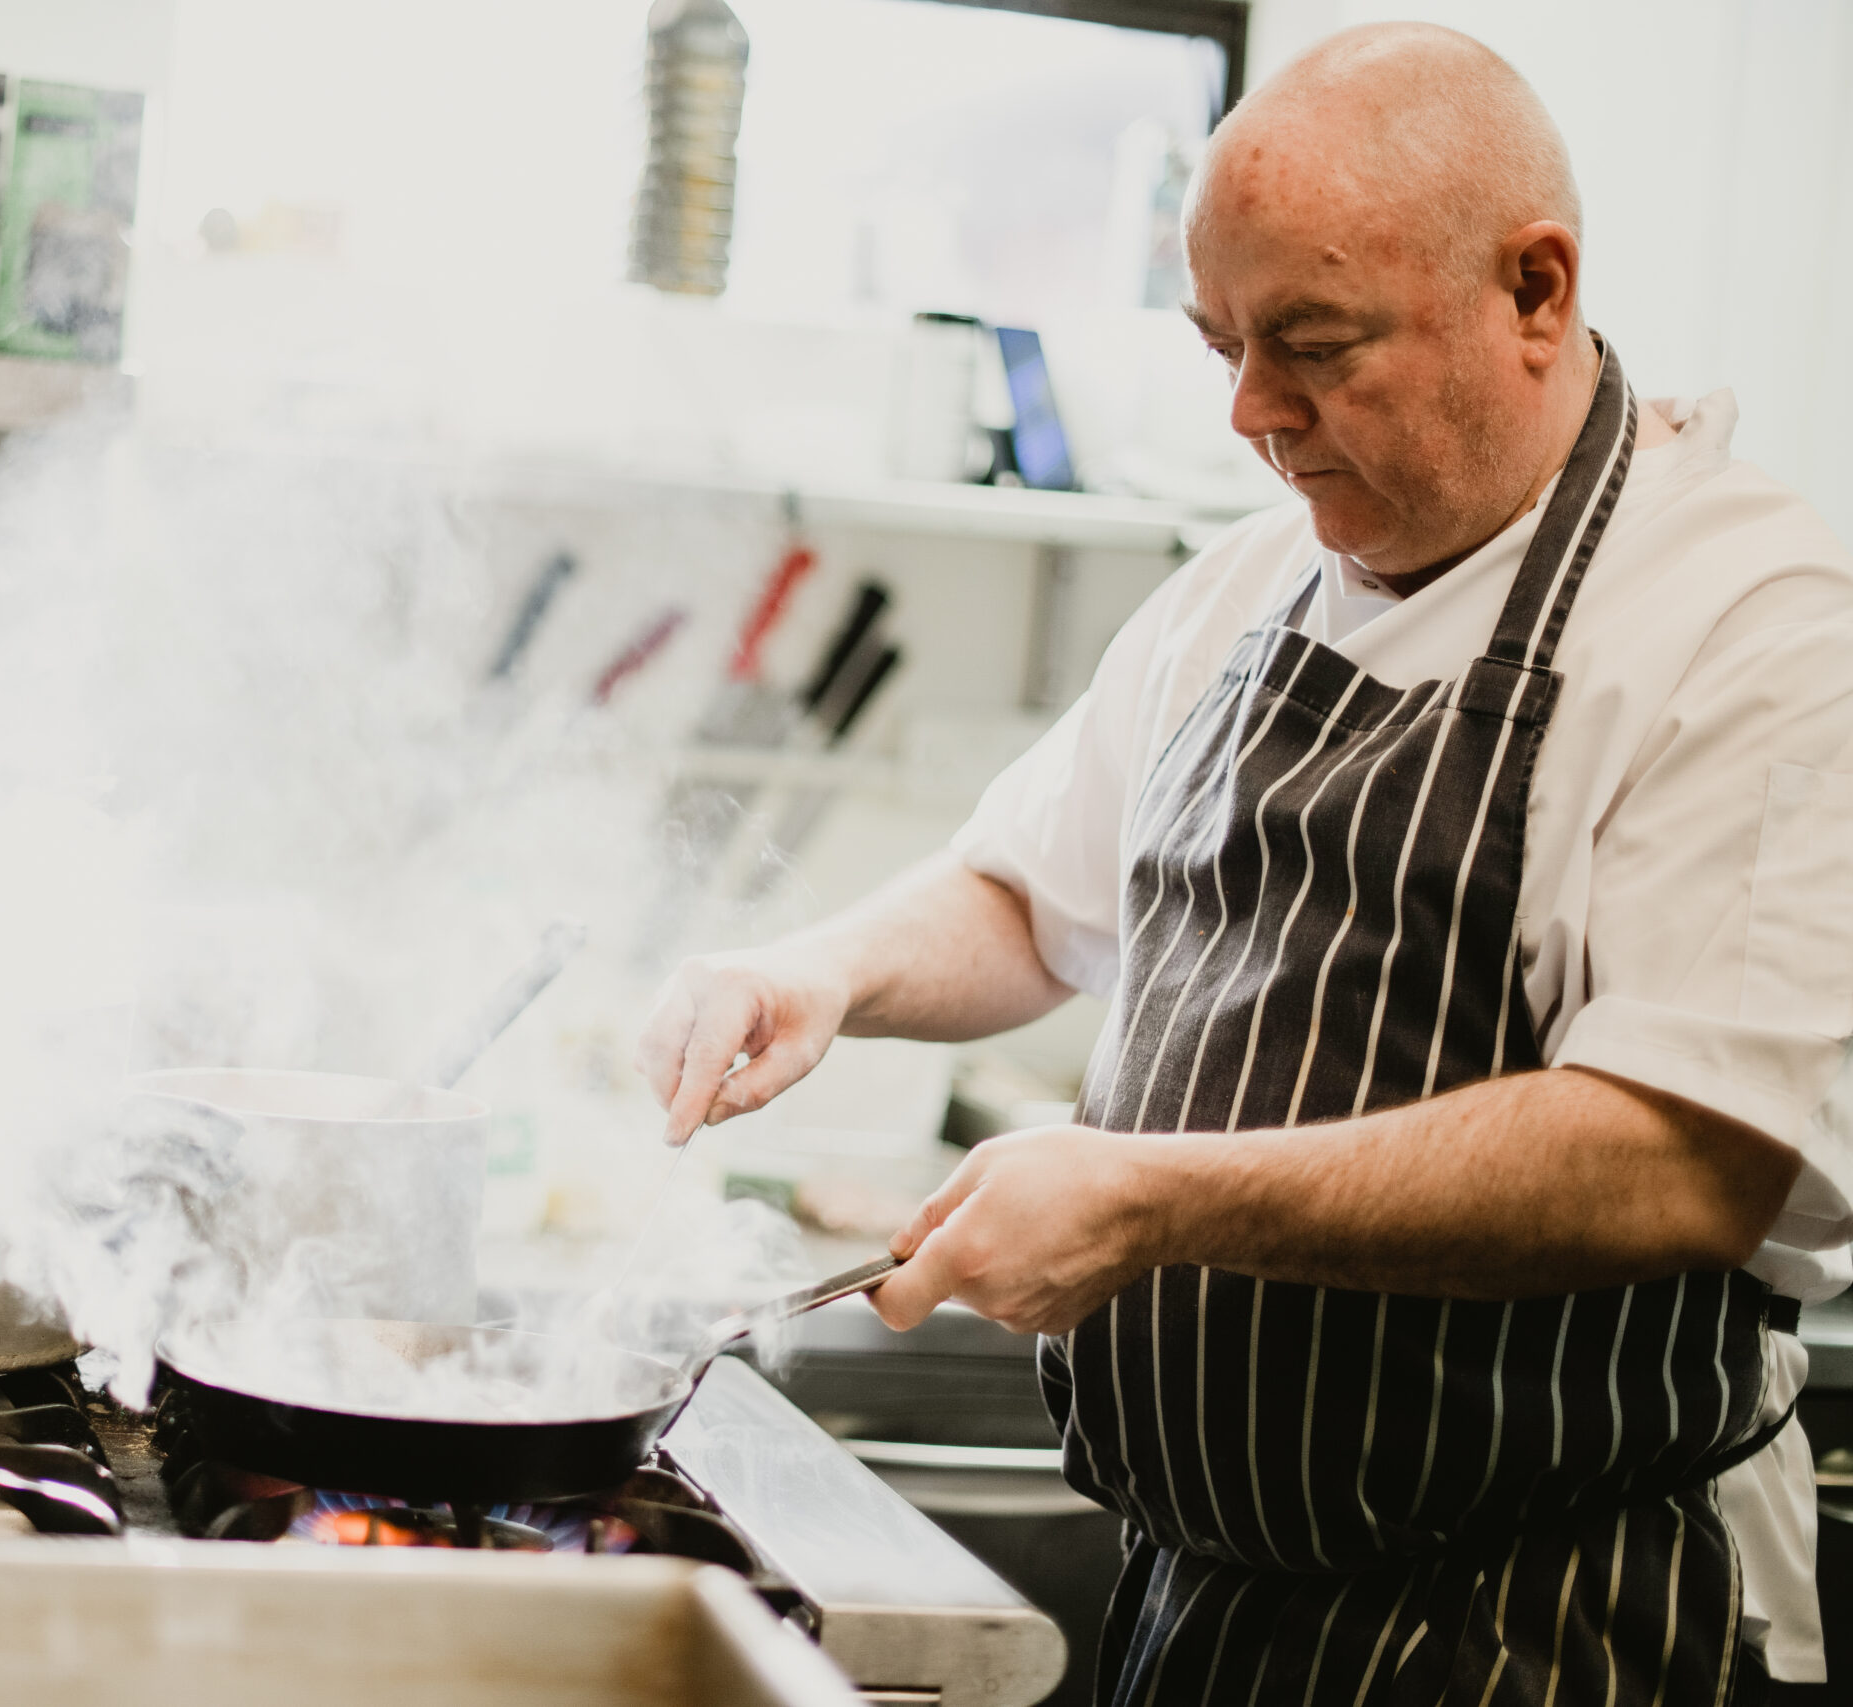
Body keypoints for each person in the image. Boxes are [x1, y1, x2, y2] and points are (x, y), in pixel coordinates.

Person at [637, 22, 1853, 1703]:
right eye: (1222, 344)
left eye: (1315, 343)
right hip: (1208, 1610)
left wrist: (1148, 1199)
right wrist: (816, 972)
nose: (1252, 416)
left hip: (1559, 1623)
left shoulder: (1740, 629)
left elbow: (1677, 1157)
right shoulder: (1253, 585)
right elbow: (1026, 897)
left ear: (1537, 289)